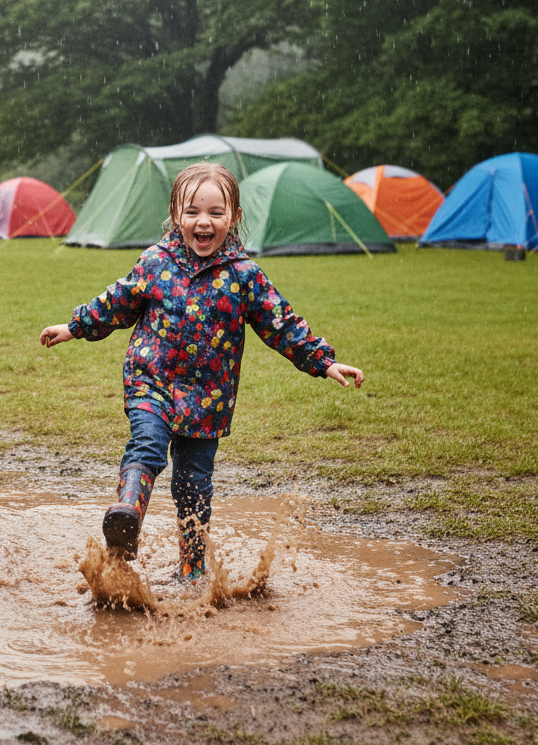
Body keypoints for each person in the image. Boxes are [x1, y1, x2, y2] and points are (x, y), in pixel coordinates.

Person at [39, 162, 363, 581]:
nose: (203, 222)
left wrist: (324, 361)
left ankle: (191, 570)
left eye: (215, 212)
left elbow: (281, 324)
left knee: (193, 486)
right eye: (192, 212)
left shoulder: (245, 276)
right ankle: (127, 516)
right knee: (148, 446)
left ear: (234, 218)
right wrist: (74, 326)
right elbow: (117, 301)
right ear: (176, 215)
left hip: (208, 400)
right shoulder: (156, 261)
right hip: (150, 382)